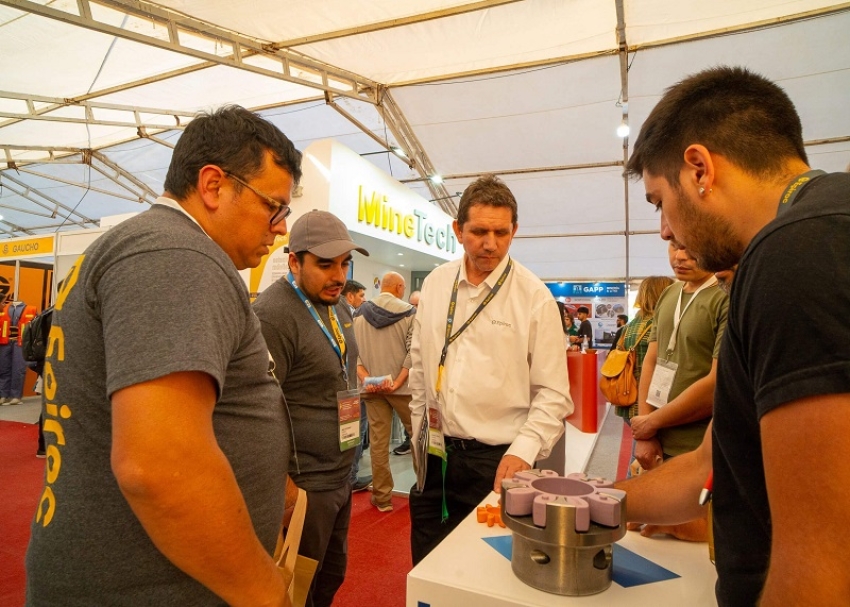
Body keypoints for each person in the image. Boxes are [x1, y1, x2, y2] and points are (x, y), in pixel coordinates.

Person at [26, 106, 301, 606]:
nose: (280, 228)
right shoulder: (176, 255)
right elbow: (158, 463)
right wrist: (264, 593)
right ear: (213, 186)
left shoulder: (151, 248)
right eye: (274, 207)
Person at [619, 65, 850, 606]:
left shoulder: (798, 252)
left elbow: (822, 571)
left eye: (659, 201)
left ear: (699, 169)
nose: (665, 230)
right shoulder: (811, 234)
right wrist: (594, 501)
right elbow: (709, 463)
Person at [408, 174, 573, 564]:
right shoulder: (436, 284)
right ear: (458, 230)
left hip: (497, 462)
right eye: (479, 231)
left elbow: (553, 395)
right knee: (427, 565)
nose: (490, 243)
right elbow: (419, 365)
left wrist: (524, 451)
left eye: (501, 232)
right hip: (434, 454)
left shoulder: (534, 297)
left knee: (483, 571)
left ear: (514, 231)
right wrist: (418, 430)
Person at [254, 209, 369, 607]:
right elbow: (257, 412)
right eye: (324, 264)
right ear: (294, 262)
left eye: (344, 263)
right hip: (303, 484)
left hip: (340, 473)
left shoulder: (338, 306)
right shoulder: (272, 315)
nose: (339, 275)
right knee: (295, 588)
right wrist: (285, 489)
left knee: (330, 577)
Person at [630, 242, 728, 469]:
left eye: (691, 247)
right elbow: (651, 361)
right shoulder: (669, 293)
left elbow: (717, 383)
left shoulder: (724, 296)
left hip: (699, 443)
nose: (680, 256)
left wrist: (650, 423)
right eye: (675, 246)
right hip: (658, 435)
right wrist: (646, 432)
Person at [353, 271, 416, 512]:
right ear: (399, 287)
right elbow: (413, 352)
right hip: (404, 390)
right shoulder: (410, 312)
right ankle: (423, 492)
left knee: (378, 444)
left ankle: (382, 498)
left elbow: (354, 353)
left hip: (372, 388)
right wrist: (398, 381)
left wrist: (366, 378)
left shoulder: (359, 313)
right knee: (418, 440)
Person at [611, 276, 673, 429]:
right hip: (652, 403)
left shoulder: (630, 325)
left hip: (627, 398)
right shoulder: (660, 324)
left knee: (639, 439)